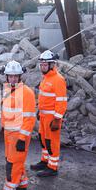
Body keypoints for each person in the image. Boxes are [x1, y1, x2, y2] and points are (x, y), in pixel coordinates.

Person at [0, 60, 36, 190]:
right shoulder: (8, 90)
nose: (12, 79)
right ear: (6, 77)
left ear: (20, 76)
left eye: (15, 76)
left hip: (19, 135)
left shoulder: (27, 93)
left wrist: (22, 138)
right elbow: (6, 113)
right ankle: (22, 188)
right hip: (9, 134)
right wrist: (4, 129)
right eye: (10, 76)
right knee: (16, 163)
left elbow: (30, 118)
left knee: (12, 165)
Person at [30, 50, 67, 178]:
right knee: (43, 139)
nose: (43, 67)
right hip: (44, 116)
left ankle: (53, 167)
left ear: (52, 65)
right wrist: (40, 111)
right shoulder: (46, 78)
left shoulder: (58, 80)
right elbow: (44, 98)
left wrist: (57, 119)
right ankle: (45, 161)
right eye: (41, 65)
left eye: (45, 65)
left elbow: (61, 102)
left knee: (52, 142)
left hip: (52, 117)